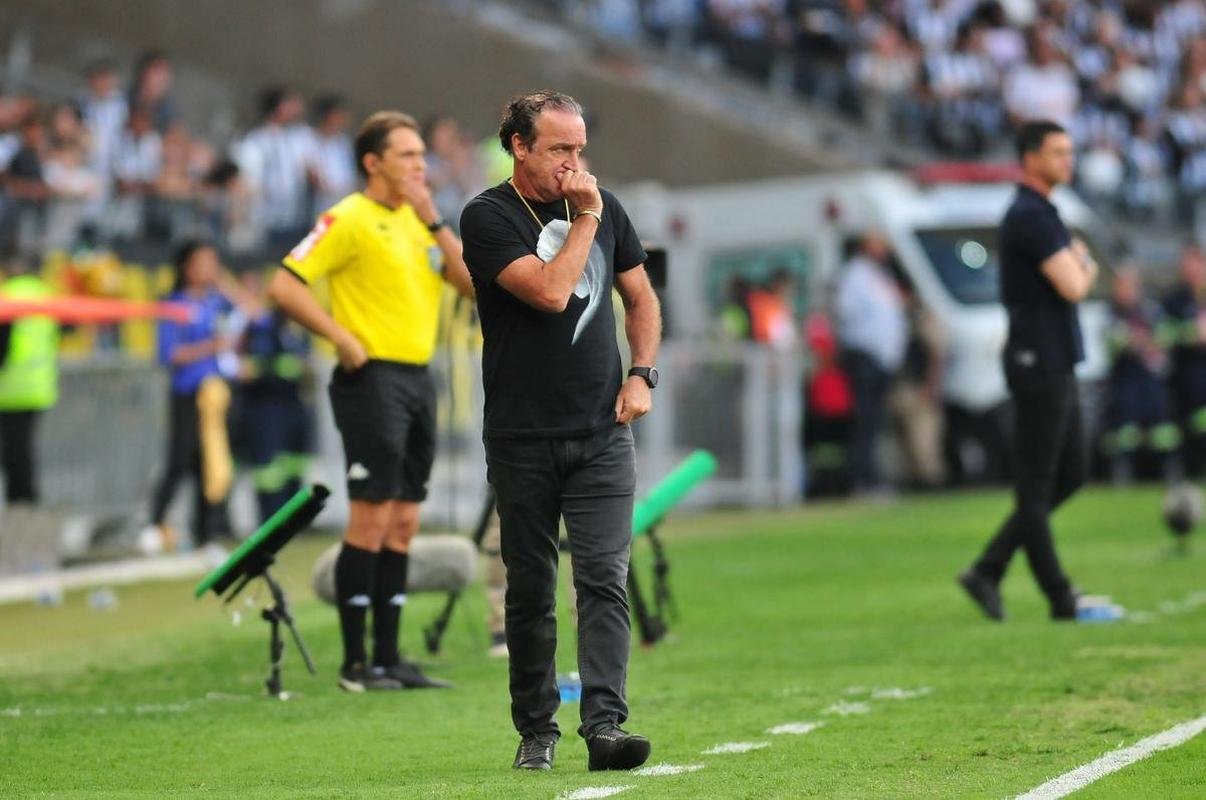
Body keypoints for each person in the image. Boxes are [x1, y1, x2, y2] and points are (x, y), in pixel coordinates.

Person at [460, 90, 662, 773]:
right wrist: (585, 219)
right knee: (530, 587)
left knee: (604, 577)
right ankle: (536, 728)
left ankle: (605, 725)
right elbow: (550, 292)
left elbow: (641, 298)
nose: (575, 164)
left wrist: (643, 375)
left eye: (580, 149)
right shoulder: (487, 217)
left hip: (601, 431)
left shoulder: (609, 211)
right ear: (518, 146)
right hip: (522, 436)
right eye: (558, 150)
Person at [268, 110, 474, 693]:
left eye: (420, 154)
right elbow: (284, 284)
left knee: (405, 521)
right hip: (372, 379)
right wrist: (340, 337)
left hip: (417, 380)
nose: (419, 164)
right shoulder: (347, 219)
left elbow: (469, 284)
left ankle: (390, 658)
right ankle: (356, 665)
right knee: (373, 516)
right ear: (373, 162)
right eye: (407, 154)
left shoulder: (420, 222)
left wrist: (434, 219)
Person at [958, 120, 1103, 622]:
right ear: (1030, 157)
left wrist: (1079, 261)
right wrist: (1083, 262)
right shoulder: (1030, 215)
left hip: (1056, 357)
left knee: (1072, 474)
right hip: (1037, 360)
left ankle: (988, 567)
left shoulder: (1042, 212)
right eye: (1058, 152)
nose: (1069, 161)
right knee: (1037, 487)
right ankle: (1060, 597)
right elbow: (1073, 286)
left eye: (1070, 152)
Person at [146, 240, 237, 553]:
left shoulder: (218, 303)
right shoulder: (175, 305)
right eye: (202, 262)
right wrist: (209, 348)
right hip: (187, 394)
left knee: (211, 464)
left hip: (216, 395)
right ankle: (155, 524)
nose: (209, 269)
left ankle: (207, 534)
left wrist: (225, 284)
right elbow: (168, 354)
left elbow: (255, 313)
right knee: (180, 460)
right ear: (186, 267)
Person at [834, 232, 907, 492]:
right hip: (866, 356)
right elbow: (846, 313)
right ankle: (861, 478)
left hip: (882, 358)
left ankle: (872, 475)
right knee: (865, 421)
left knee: (875, 422)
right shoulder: (856, 275)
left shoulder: (879, 276)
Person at [1103, 268, 1180, 484]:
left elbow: (1165, 338)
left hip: (1150, 380)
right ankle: (1123, 481)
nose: (1124, 291)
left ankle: (1169, 477)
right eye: (1120, 286)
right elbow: (1116, 341)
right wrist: (1141, 341)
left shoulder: (1151, 311)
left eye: (1129, 286)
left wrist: (1141, 341)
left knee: (1162, 433)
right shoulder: (1110, 313)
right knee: (1125, 434)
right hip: (1125, 381)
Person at [0, 255, 59, 505]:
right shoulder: (45, 294)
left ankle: (21, 513)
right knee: (22, 455)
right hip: (37, 387)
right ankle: (25, 510)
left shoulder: (6, 296)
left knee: (15, 458)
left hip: (8, 389)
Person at [1160, 245, 1206, 476]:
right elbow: (1162, 334)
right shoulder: (1173, 300)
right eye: (1186, 264)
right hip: (1183, 376)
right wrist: (1191, 334)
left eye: (1195, 264)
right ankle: (1187, 476)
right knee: (1184, 431)